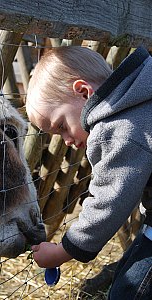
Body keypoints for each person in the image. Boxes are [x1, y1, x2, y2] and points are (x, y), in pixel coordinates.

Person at [25, 45, 152, 299]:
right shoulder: (140, 97)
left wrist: (63, 251)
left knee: (128, 293)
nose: (66, 140)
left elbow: (108, 203)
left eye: (61, 126)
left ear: (83, 92)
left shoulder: (116, 129)